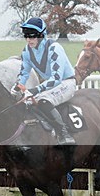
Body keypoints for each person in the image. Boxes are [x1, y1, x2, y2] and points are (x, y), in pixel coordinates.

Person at [11, 17, 76, 146]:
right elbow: (24, 73)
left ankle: (64, 133)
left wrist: (34, 90)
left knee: (43, 101)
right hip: (50, 85)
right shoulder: (27, 51)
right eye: (26, 36)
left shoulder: (54, 48)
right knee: (27, 103)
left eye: (33, 36)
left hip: (66, 83)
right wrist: (17, 87)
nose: (29, 40)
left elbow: (56, 78)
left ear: (41, 35)